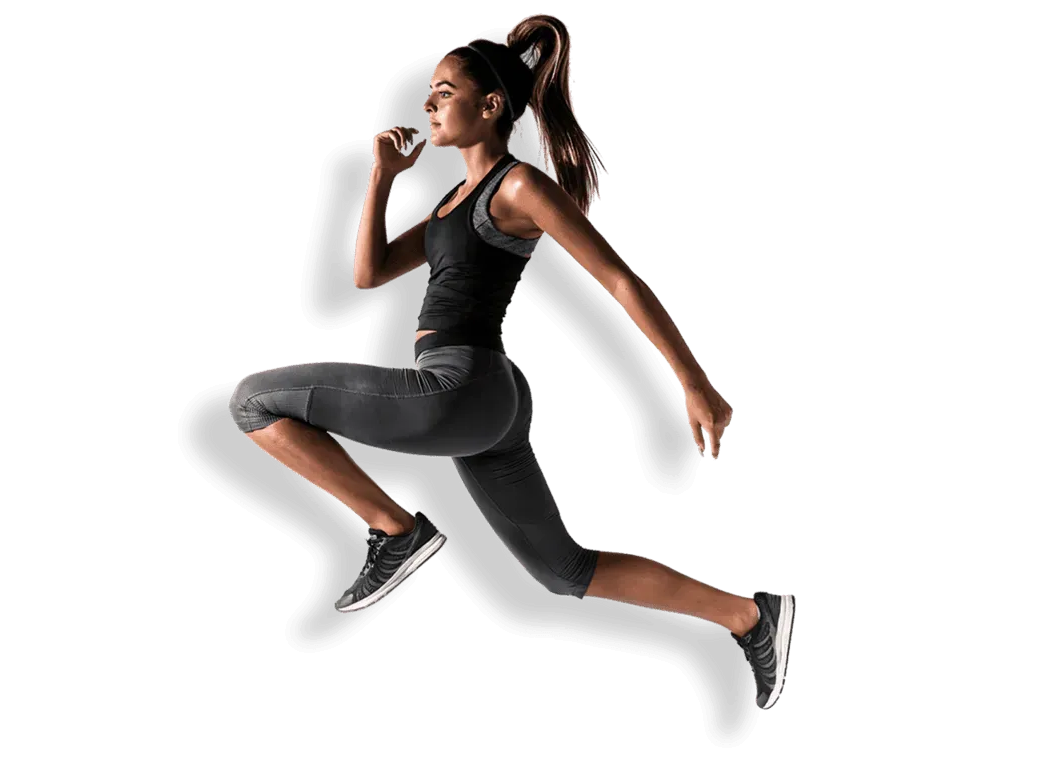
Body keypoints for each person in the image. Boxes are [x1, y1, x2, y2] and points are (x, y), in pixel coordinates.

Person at [228, 14, 795, 710]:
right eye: (429, 93)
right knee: (564, 571)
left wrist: (693, 380)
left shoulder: (517, 186)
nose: (428, 104)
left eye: (443, 91)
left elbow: (617, 277)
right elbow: (369, 275)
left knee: (252, 399)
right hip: (484, 406)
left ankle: (395, 530)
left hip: (459, 389)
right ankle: (748, 617)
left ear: (490, 106)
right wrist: (382, 175)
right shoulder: (449, 203)